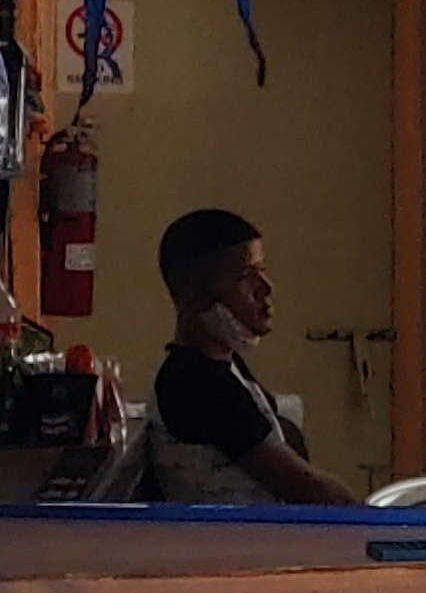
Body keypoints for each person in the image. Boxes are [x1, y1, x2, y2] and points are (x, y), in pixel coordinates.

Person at [149, 208, 359, 505]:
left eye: (262, 271)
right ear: (193, 295)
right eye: (246, 277)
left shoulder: (225, 364)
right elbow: (308, 489)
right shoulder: (198, 384)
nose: (266, 288)